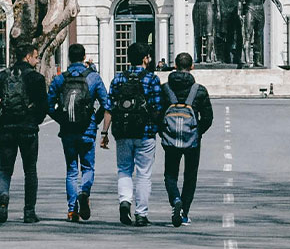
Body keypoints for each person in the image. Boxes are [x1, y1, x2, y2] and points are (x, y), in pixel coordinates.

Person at [47, 43, 110, 222]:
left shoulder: (61, 79)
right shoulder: (94, 78)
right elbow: (107, 104)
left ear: (68, 58)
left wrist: (61, 118)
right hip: (87, 129)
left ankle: (71, 210)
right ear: (84, 57)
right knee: (88, 167)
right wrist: (95, 120)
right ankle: (85, 192)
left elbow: (49, 105)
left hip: (67, 130)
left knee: (71, 170)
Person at [0, 44, 48, 223]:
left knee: (5, 168)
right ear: (28, 57)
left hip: (6, 129)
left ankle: (3, 197)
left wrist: (2, 115)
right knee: (30, 170)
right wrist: (34, 120)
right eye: (36, 57)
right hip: (28, 129)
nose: (37, 61)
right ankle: (29, 212)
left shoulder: (2, 76)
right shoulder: (36, 78)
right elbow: (44, 106)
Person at [105, 42, 163, 227]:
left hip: (122, 131)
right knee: (144, 173)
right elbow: (157, 107)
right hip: (145, 132)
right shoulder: (152, 79)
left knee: (124, 168)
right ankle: (141, 213)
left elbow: (109, 108)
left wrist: (104, 132)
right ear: (145, 58)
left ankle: (124, 201)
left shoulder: (118, 80)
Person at [161, 52, 213, 227]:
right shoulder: (199, 90)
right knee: (190, 175)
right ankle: (184, 212)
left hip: (171, 138)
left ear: (175, 66)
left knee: (170, 174)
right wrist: (197, 132)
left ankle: (175, 198)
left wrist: (164, 131)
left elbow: (157, 114)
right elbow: (208, 117)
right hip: (192, 138)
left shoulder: (165, 88)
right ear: (192, 67)